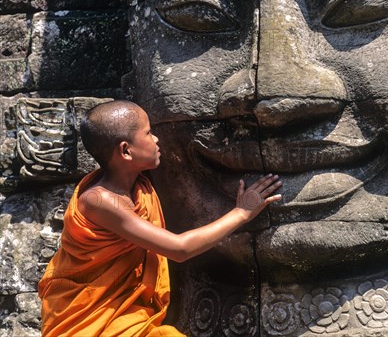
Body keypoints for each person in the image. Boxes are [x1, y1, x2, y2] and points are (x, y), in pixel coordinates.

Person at [38, 100, 282, 337]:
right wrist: (242, 212)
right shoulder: (99, 201)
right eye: (148, 133)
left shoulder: (140, 185)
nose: (156, 139)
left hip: (125, 317)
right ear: (125, 150)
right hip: (89, 322)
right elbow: (179, 248)